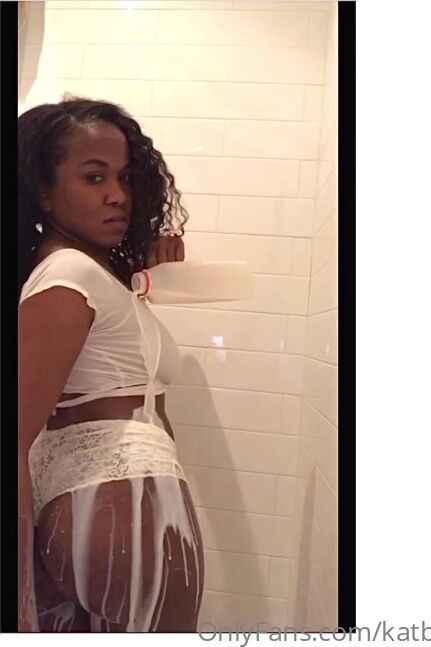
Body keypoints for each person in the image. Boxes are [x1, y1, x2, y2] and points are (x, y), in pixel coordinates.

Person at [18, 96, 204, 632]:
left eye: (125, 177)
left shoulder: (78, 275)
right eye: (94, 177)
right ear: (44, 192)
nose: (118, 195)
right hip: (132, 509)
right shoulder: (70, 276)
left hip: (89, 508)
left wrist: (144, 269)